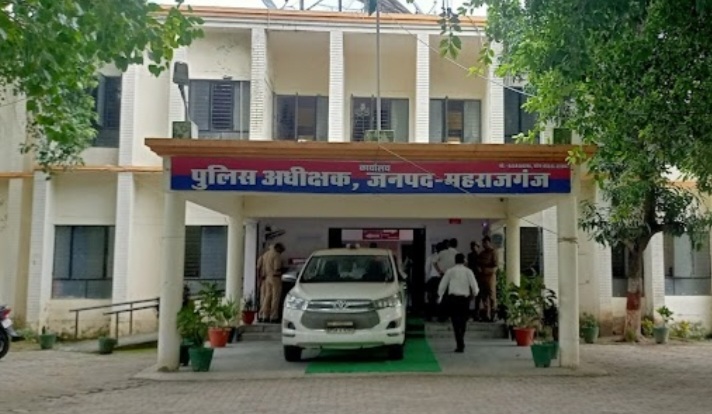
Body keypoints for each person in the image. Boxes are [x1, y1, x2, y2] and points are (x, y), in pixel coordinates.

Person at [438, 253, 478, 353]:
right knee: (463, 321)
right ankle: (461, 339)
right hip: (464, 299)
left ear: (455, 261)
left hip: (453, 299)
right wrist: (475, 293)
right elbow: (474, 285)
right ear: (464, 260)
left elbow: (443, 284)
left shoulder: (450, 271)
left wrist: (440, 295)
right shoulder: (468, 271)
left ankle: (459, 343)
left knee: (455, 321)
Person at [258, 242, 286, 323]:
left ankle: (263, 315)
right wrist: (284, 269)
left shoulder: (265, 254)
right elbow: (277, 268)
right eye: (281, 250)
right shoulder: (276, 255)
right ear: (278, 248)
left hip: (267, 278)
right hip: (275, 278)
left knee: (267, 297)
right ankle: (273, 316)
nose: (281, 252)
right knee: (275, 297)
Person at [475, 236, 499, 322]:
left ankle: (493, 315)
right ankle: (486, 315)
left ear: (489, 243)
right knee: (484, 296)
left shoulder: (494, 252)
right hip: (482, 277)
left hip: (490, 277)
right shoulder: (482, 253)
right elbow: (477, 263)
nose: (484, 245)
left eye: (485, 243)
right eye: (483, 243)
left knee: (492, 296)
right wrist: (479, 269)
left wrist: (488, 271)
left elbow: (496, 266)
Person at [424, 242, 445, 321]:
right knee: (441, 298)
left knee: (431, 298)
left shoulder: (431, 257)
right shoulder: (443, 258)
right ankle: (441, 317)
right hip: (441, 279)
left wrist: (428, 279)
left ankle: (429, 316)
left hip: (432, 279)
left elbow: (427, 270)